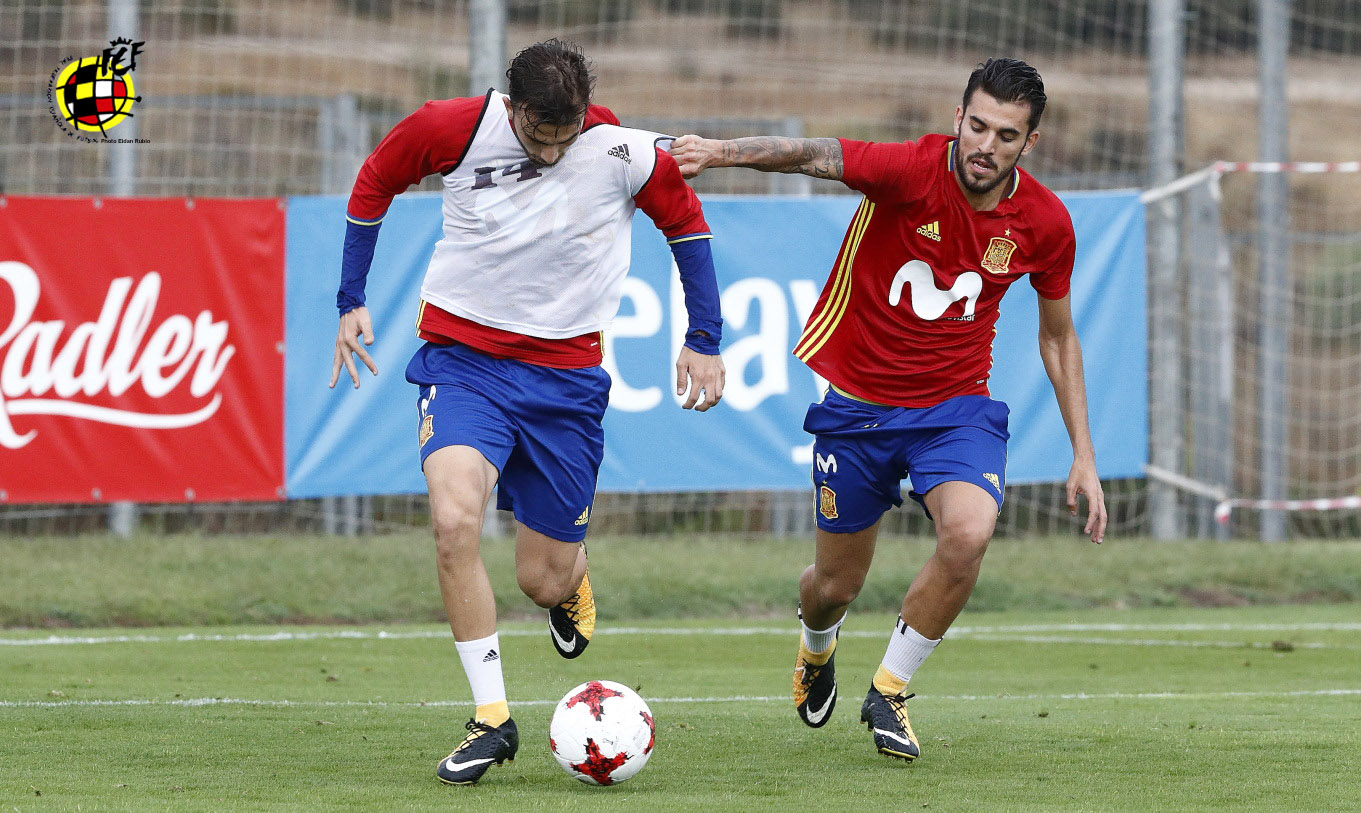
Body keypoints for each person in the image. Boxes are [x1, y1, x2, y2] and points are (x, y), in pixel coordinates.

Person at [670, 58, 1107, 763]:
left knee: (968, 534)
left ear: (1030, 144)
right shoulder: (908, 170)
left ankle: (890, 688)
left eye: (1004, 134)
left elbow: (1057, 335)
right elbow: (812, 154)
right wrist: (718, 152)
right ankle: (817, 648)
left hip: (954, 410)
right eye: (975, 125)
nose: (983, 145)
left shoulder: (1045, 223)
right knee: (832, 586)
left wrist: (1083, 453)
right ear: (956, 118)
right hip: (857, 412)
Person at [330, 39, 725, 785]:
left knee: (539, 580)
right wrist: (350, 299)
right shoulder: (448, 127)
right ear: (510, 107)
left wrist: (703, 337)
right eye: (537, 136)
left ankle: (568, 580)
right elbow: (374, 182)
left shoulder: (620, 149)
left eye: (563, 137)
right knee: (452, 522)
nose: (551, 153)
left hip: (564, 382)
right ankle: (491, 718)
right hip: (462, 364)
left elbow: (688, 231)